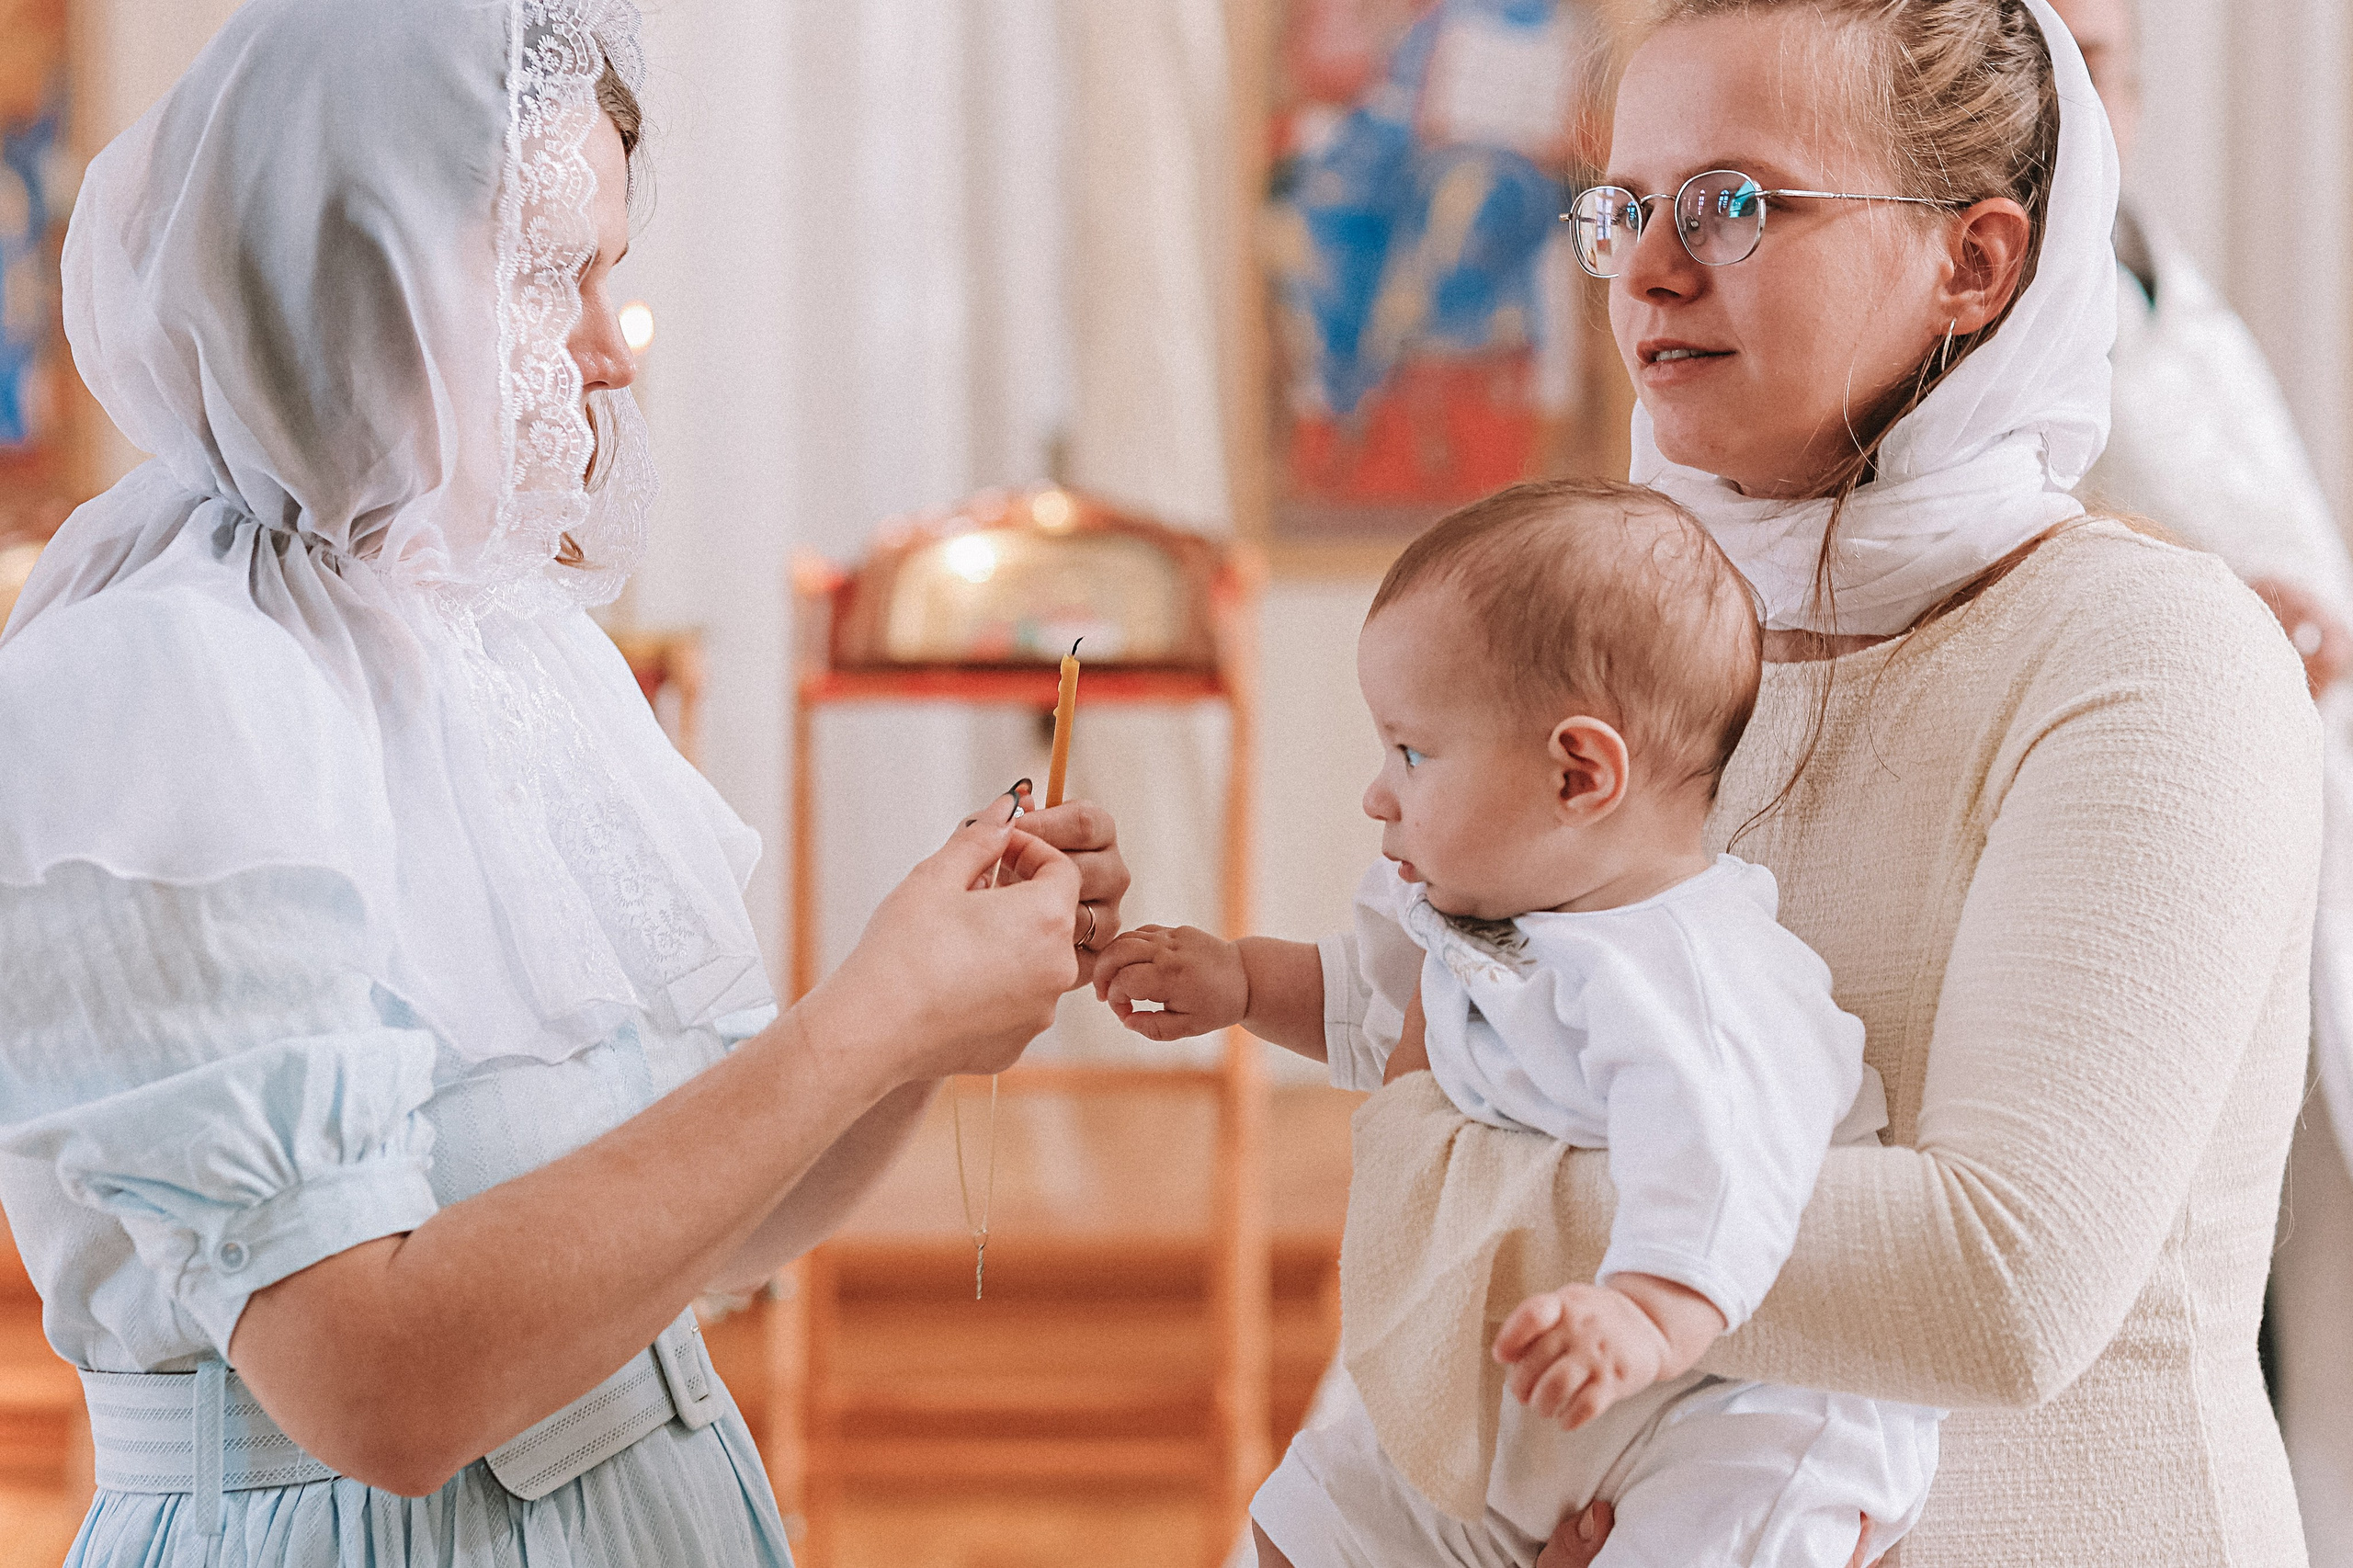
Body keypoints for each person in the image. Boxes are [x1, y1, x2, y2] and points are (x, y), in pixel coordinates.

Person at [0, 2, 1127, 1563]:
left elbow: (698, 1228)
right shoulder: (163, 686)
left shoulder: (498, 649)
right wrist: (865, 1017)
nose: (606, 345)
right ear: (357, 279)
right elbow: (377, 1391)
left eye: (607, 270)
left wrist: (923, 1023)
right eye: (551, 274)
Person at [1252, 0, 2321, 1562]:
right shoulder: (1638, 630)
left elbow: (1999, 1279)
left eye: (1732, 204)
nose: (1649, 269)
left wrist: (1434, 1168)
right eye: (1623, 206)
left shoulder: (2151, 656)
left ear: (1977, 261)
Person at [1099, 479, 1945, 1566]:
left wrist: (1645, 1307)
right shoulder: (1487, 922)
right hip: (1550, 1402)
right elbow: (1382, 1012)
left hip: (1728, 1397)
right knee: (1306, 1516)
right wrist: (1242, 982)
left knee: (1723, 1524)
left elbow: (1730, 1148)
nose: (1376, 793)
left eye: (1411, 752)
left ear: (1578, 773)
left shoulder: (1687, 968)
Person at [2048, 3, 2353, 1557]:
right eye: (2052, 56)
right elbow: (2023, 529)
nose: (2086, 96)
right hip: (2152, 809)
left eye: (2108, 63)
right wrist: (2226, 601)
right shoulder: (1999, 300)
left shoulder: (2175, 277)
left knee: (2297, 1222)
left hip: (2301, 797)